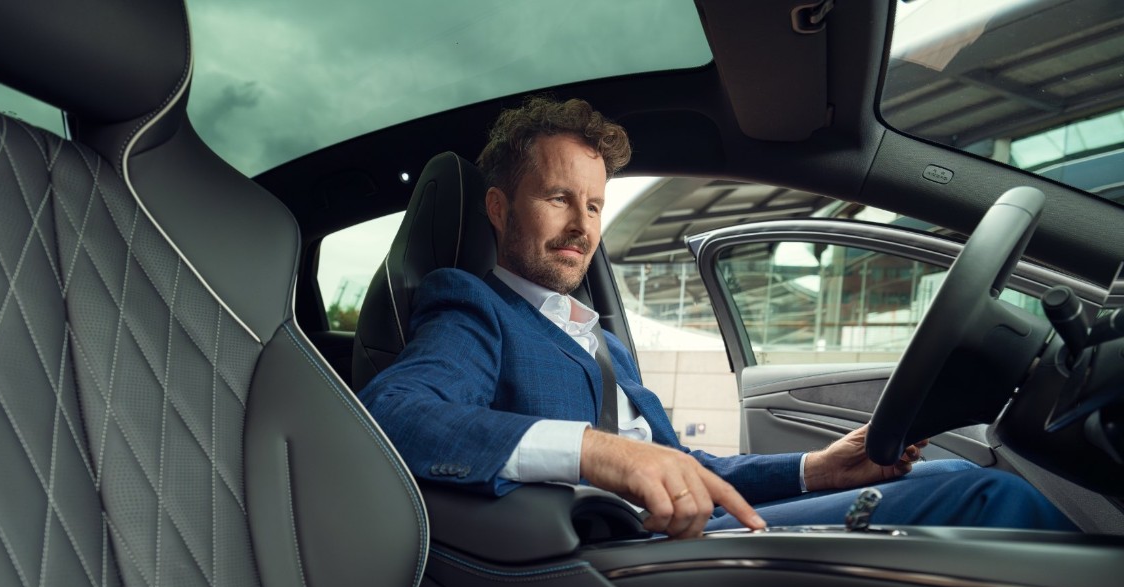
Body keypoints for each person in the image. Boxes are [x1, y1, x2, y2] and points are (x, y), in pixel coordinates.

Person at [358, 96, 1074, 538]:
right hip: (622, 558)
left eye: (596, 204)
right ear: (498, 209)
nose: (582, 225)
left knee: (929, 485)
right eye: (557, 198)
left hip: (687, 533)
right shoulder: (471, 303)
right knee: (984, 494)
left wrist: (818, 469)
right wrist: (600, 451)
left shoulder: (599, 338)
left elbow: (689, 466)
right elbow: (397, 411)